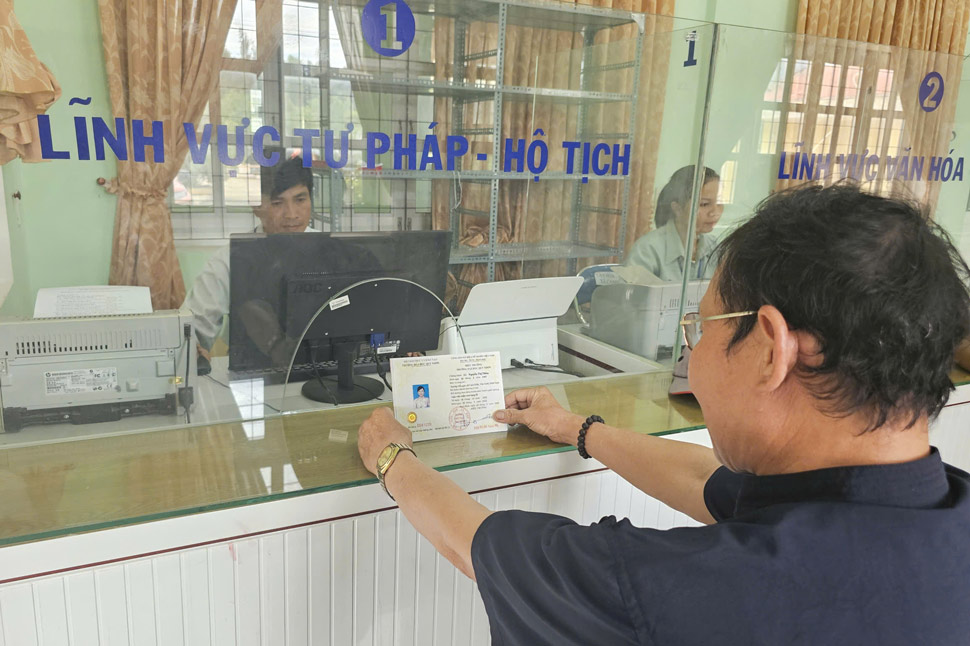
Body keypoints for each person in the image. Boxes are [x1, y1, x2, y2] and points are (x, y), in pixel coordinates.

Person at [356, 183, 970, 644]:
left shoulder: (705, 591)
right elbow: (707, 482)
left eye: (700, 329)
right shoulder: (930, 513)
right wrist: (575, 429)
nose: (692, 363)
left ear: (770, 349)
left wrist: (391, 455)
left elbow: (477, 547)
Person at [183, 156, 318, 352]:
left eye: (300, 200)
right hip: (254, 367)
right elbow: (191, 330)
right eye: (277, 203)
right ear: (256, 206)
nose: (291, 214)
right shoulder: (230, 260)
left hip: (326, 363)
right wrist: (194, 351)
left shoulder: (331, 250)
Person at [622, 165, 723, 282]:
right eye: (704, 204)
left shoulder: (715, 248)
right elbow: (629, 292)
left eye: (719, 202)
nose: (714, 212)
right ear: (677, 208)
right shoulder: (647, 249)